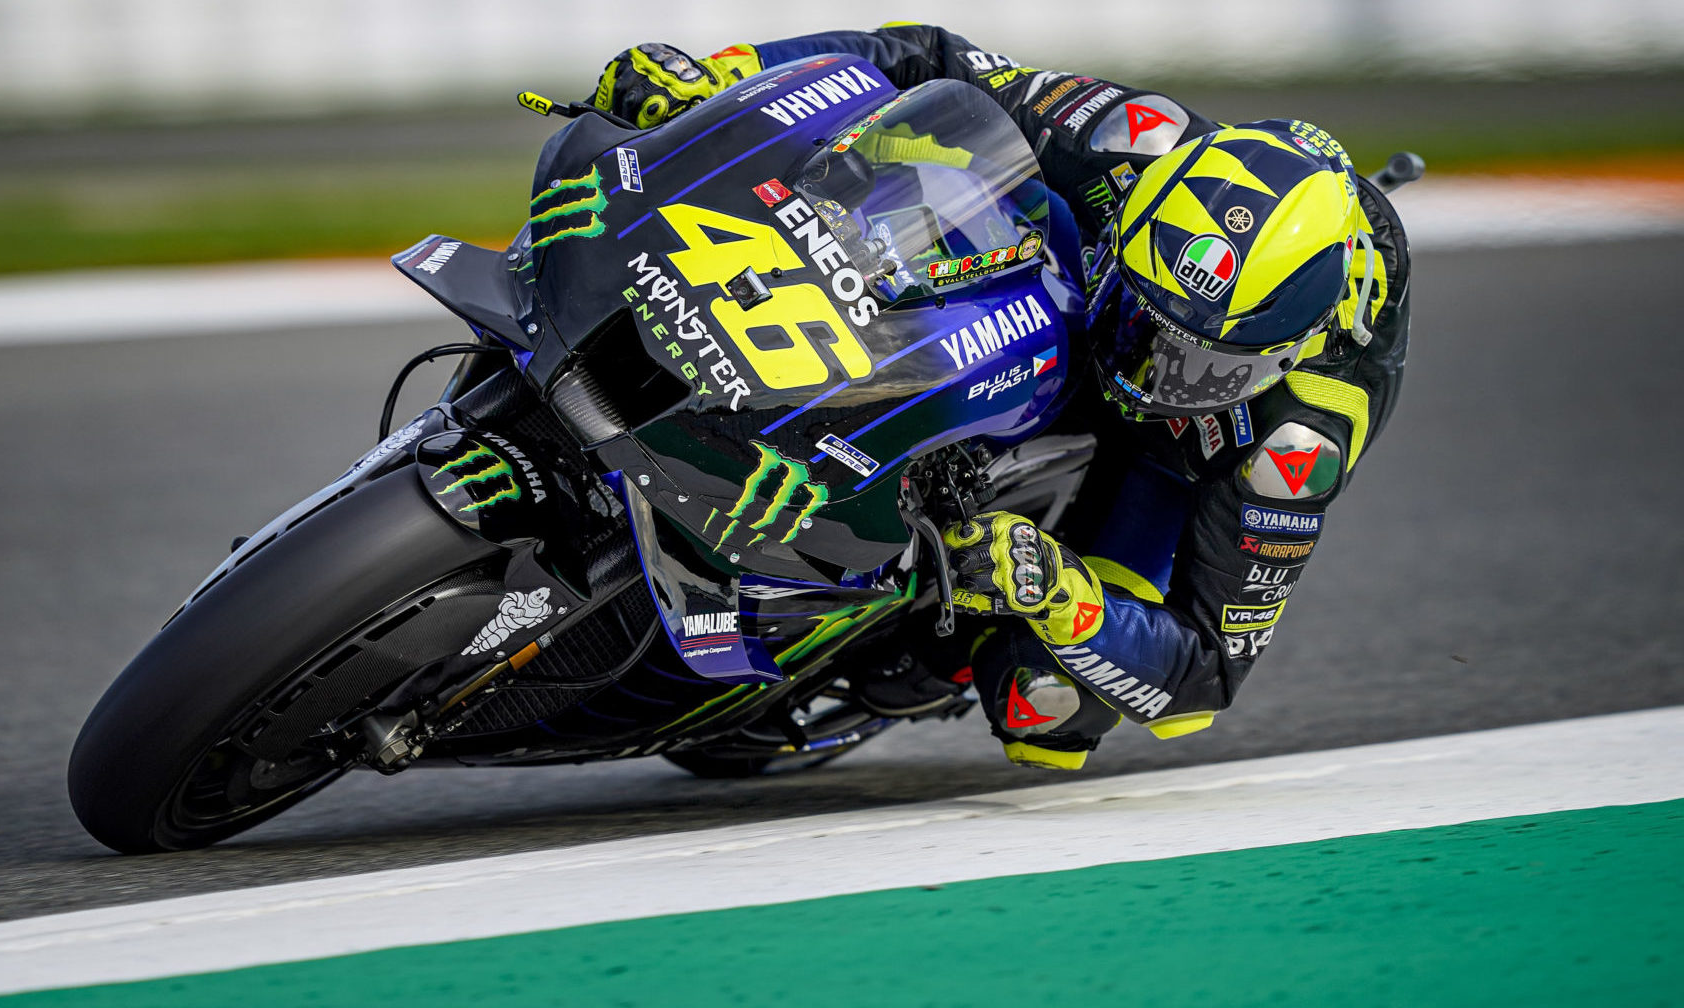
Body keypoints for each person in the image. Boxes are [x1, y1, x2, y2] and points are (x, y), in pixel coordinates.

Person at [587, 25, 1411, 770]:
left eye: (1207, 368)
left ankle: (912, 650)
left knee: (1044, 704)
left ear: (1282, 358)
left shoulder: (1301, 438)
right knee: (902, 177)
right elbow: (928, 60)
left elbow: (1202, 677)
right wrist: (726, 72)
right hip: (1065, 292)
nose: (1151, 373)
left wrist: (1066, 600)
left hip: (1169, 460)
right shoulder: (1131, 141)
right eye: (1145, 325)